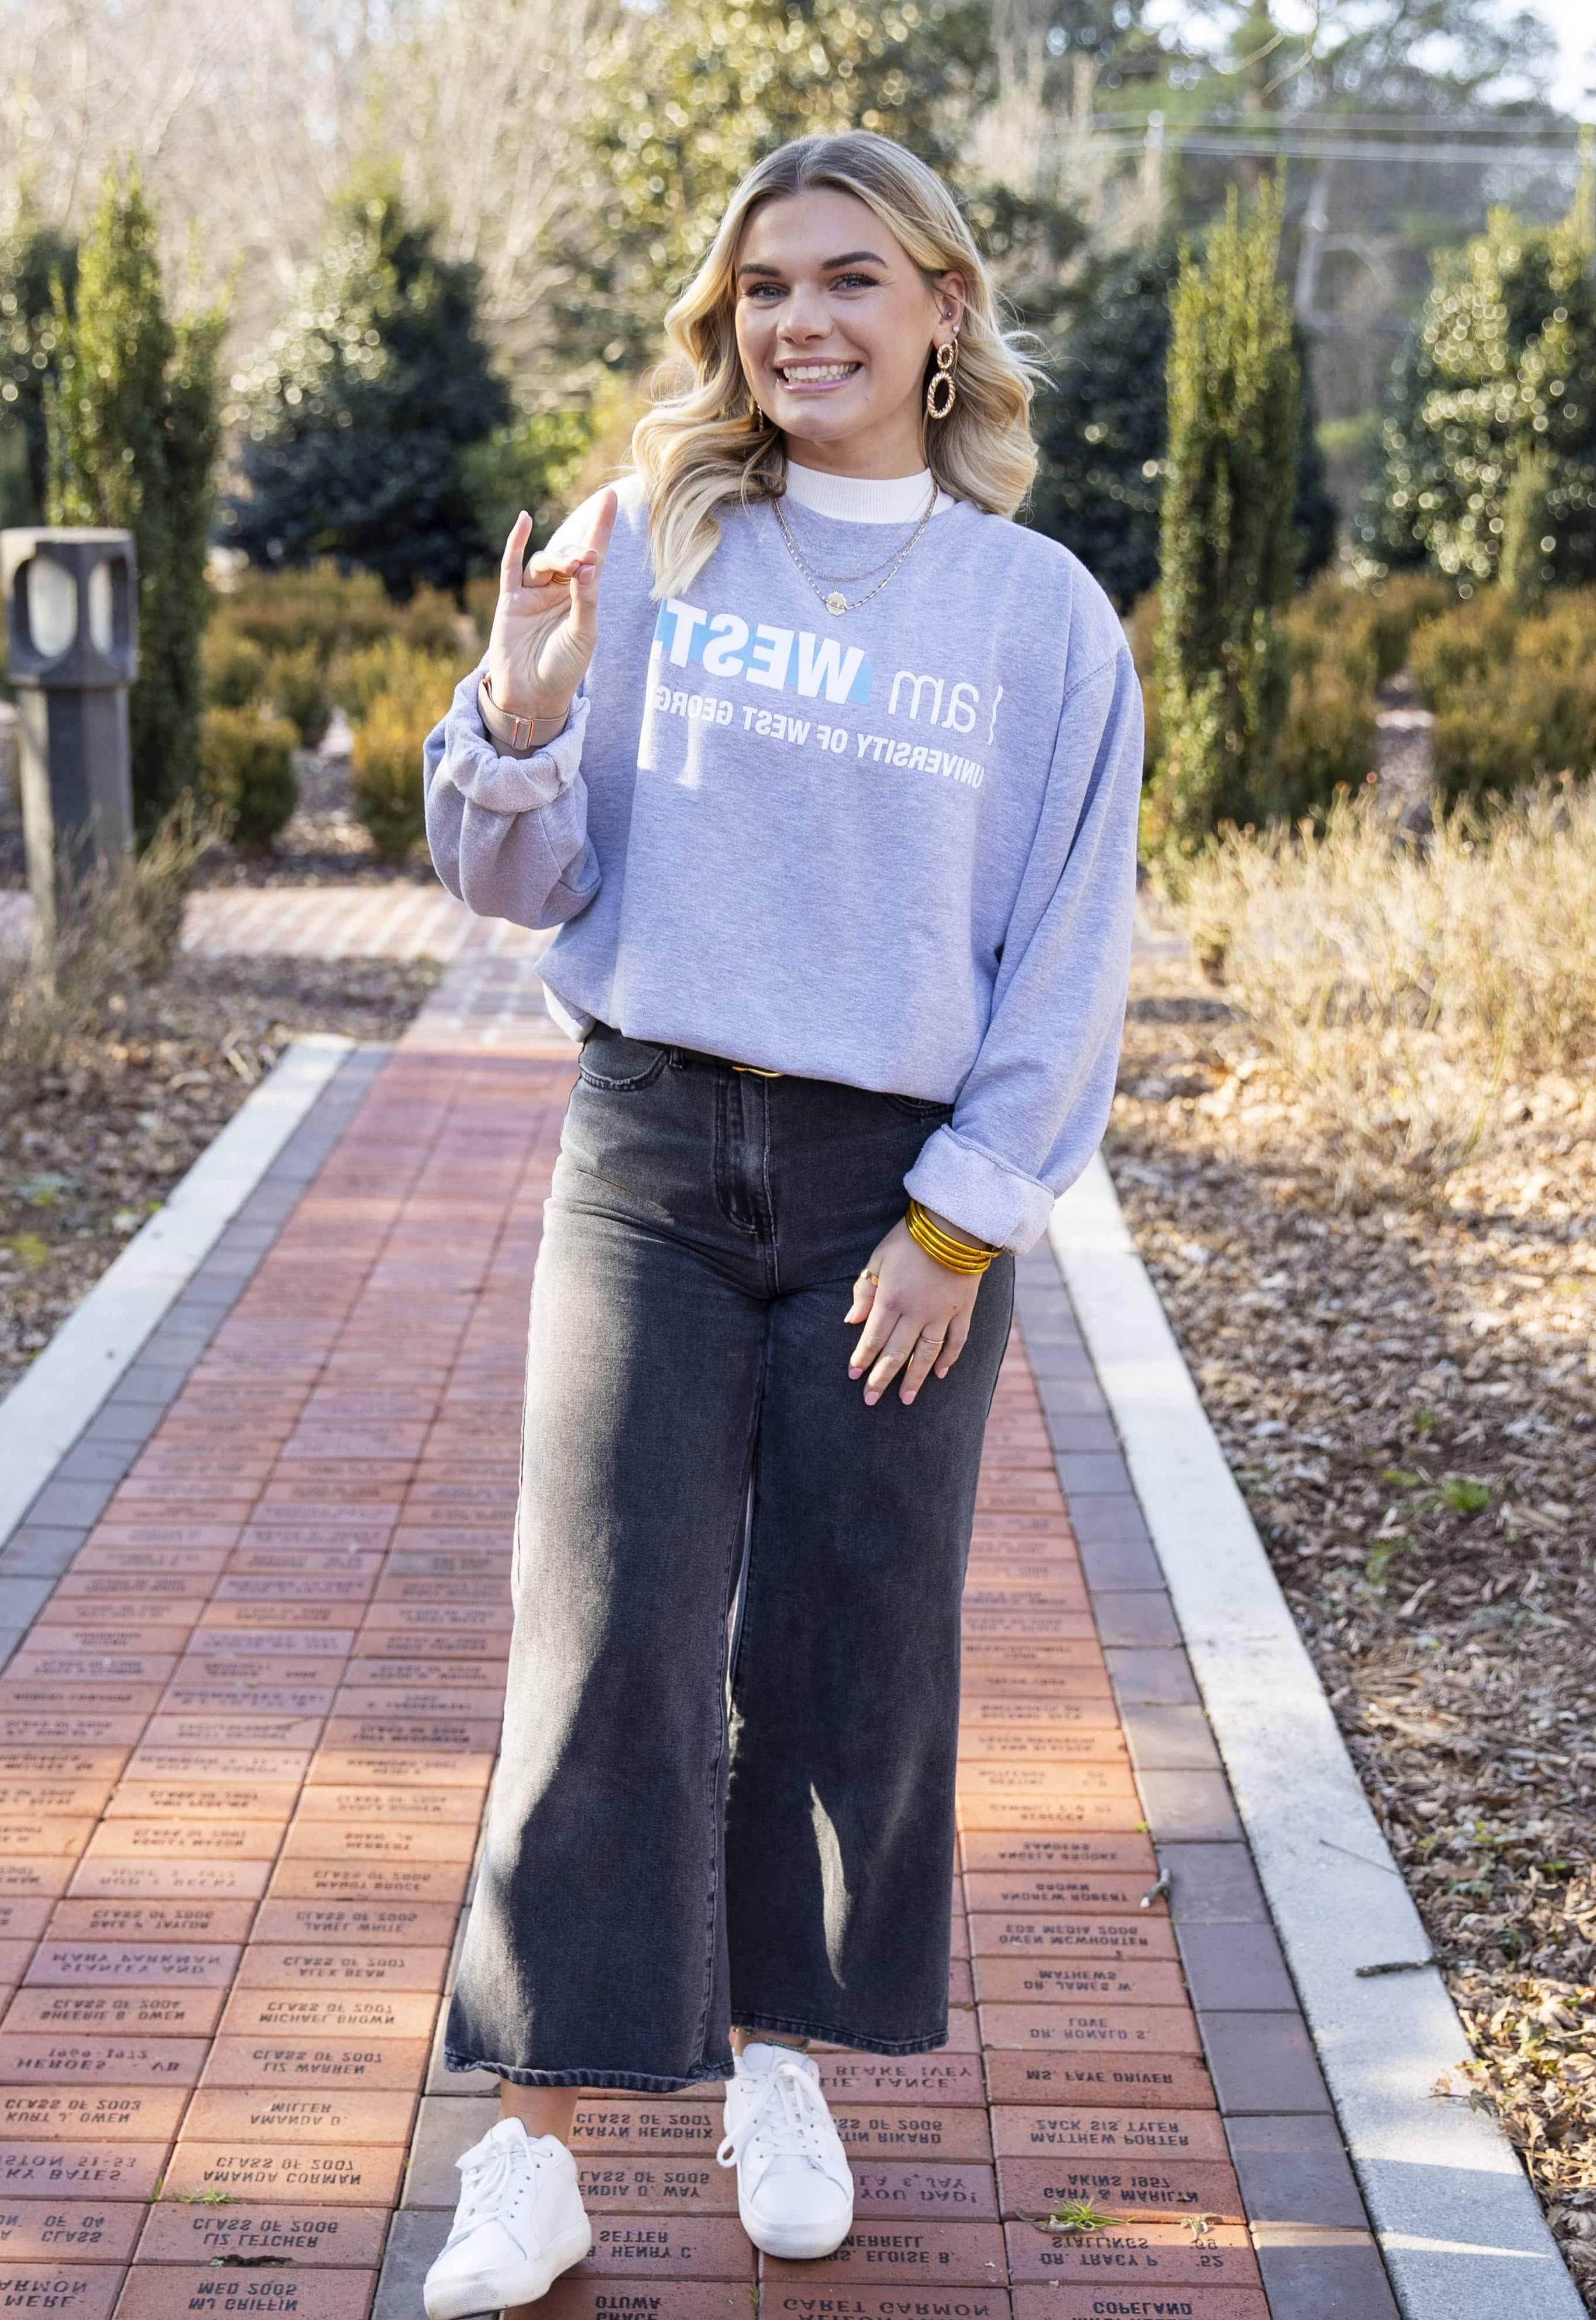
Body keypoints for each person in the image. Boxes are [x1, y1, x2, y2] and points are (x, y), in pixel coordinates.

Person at [418, 128, 1143, 2319]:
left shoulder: (1037, 618)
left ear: (941, 311)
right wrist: (523, 714)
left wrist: (963, 1220)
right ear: (725, 328)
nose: (801, 323)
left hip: (887, 1201)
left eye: (849, 280)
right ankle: (532, 2142)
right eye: (762, 292)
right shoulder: (655, 550)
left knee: (844, 1651)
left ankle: (783, 2067)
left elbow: (1069, 948)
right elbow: (507, 878)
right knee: (605, 1639)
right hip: (645, 1156)